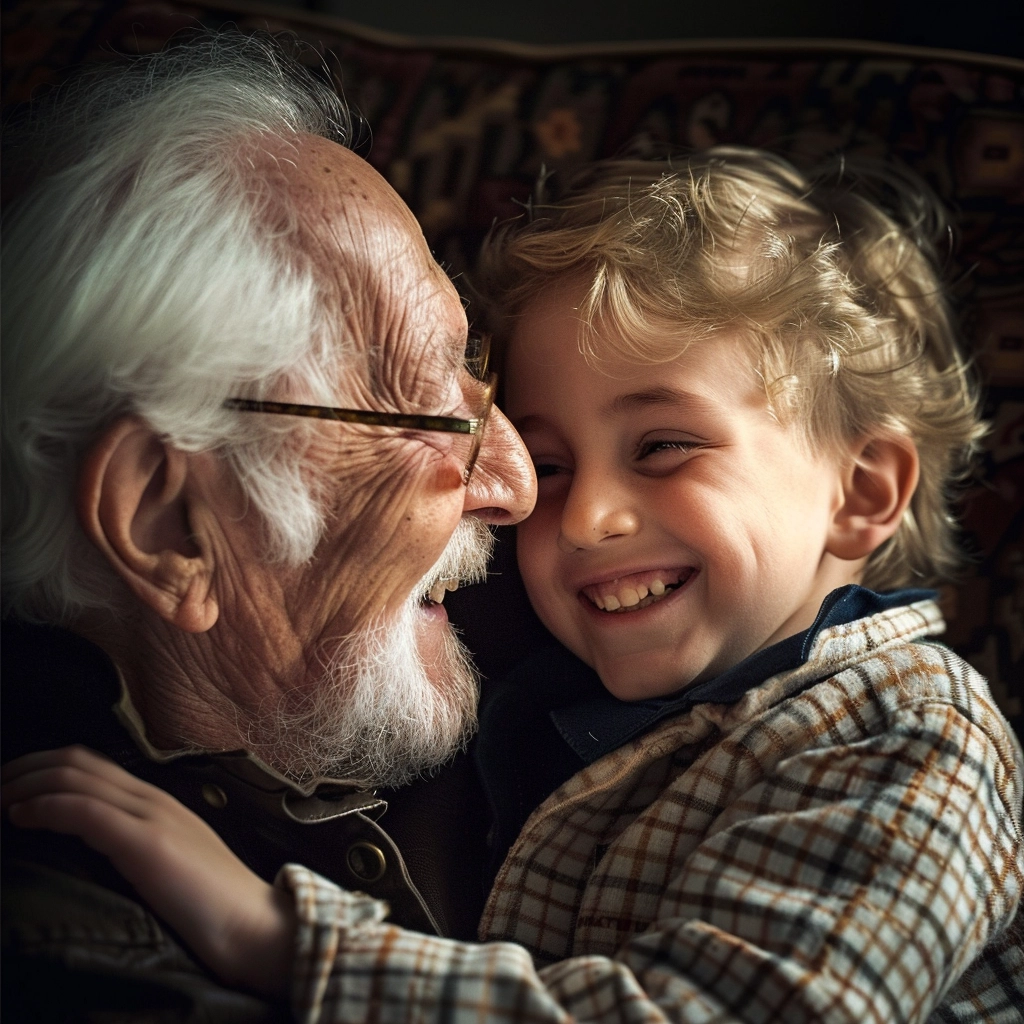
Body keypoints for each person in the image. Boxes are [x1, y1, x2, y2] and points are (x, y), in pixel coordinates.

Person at [6, 150, 1024, 1022]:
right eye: (553, 457)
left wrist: (284, 940)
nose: (567, 514)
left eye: (664, 446)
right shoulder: (546, 693)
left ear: (860, 490)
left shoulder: (909, 736)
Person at [0, 30, 535, 1021]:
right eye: (429, 404)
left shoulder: (527, 717)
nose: (515, 481)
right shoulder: (78, 960)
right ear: (168, 523)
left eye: (482, 383)